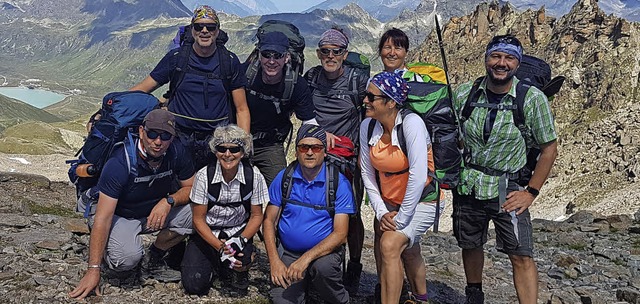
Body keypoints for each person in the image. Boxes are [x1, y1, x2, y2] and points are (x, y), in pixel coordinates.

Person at [452, 35, 558, 304]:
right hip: (469, 182)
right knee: (471, 243)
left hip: (505, 186)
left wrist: (531, 192)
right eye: (496, 56)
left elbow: (549, 149)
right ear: (486, 59)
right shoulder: (465, 93)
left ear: (518, 63)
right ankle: (474, 295)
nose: (501, 63)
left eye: (509, 58)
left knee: (520, 253)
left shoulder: (532, 100)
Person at [69, 109, 195, 300]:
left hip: (152, 211)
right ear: (141, 132)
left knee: (198, 213)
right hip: (119, 215)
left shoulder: (177, 152)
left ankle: (154, 256)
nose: (158, 141)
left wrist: (169, 201)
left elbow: (191, 187)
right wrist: (93, 270)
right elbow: (104, 217)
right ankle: (106, 252)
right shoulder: (120, 162)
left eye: (165, 136)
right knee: (125, 260)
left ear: (173, 137)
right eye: (152, 134)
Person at [130, 5, 250, 170]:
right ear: (192, 30)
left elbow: (241, 109)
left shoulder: (229, 62)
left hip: (216, 142)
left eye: (211, 27)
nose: (204, 30)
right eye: (199, 26)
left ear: (217, 31)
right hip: (177, 138)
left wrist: (242, 145)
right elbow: (143, 88)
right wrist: (112, 106)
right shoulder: (177, 58)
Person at [359, 72, 440, 304]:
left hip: (424, 200)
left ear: (391, 102)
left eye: (371, 97)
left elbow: (418, 175)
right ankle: (420, 298)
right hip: (390, 202)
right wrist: (382, 212)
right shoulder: (367, 126)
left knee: (390, 243)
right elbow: (367, 173)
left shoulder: (412, 124)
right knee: (409, 248)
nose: (365, 101)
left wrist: (401, 218)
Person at [304, 27, 368, 292]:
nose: (330, 56)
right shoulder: (311, 78)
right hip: (314, 154)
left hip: (347, 160)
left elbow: (375, 110)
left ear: (345, 54)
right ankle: (320, 266)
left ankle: (353, 265)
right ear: (319, 53)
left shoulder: (358, 82)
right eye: (325, 51)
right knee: (315, 210)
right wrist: (318, 133)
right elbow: (302, 111)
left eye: (336, 51)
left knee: (350, 215)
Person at [263, 124, 355, 304]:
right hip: (289, 253)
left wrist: (305, 259)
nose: (310, 152)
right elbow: (268, 221)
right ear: (297, 151)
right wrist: (274, 261)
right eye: (304, 147)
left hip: (324, 255)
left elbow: (341, 234)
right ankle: (302, 286)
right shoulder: (284, 178)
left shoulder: (339, 184)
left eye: (316, 147)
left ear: (325, 152)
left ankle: (340, 300)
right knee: (281, 301)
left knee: (323, 269)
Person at [181, 125, 267, 296]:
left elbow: (257, 215)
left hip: (238, 231)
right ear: (215, 151)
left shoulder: (254, 176)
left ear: (243, 152)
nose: (228, 155)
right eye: (222, 149)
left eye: (234, 149)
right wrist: (220, 247)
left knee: (241, 263)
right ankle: (213, 262)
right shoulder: (204, 176)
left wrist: (240, 240)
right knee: (194, 285)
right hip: (208, 233)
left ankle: (239, 268)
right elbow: (198, 219)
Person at [244, 31, 317, 186]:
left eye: (277, 55)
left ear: (286, 57)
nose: (271, 61)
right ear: (259, 55)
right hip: (240, 141)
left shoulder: (296, 85)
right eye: (266, 54)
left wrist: (312, 147)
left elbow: (309, 121)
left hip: (270, 144)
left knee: (282, 189)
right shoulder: (245, 74)